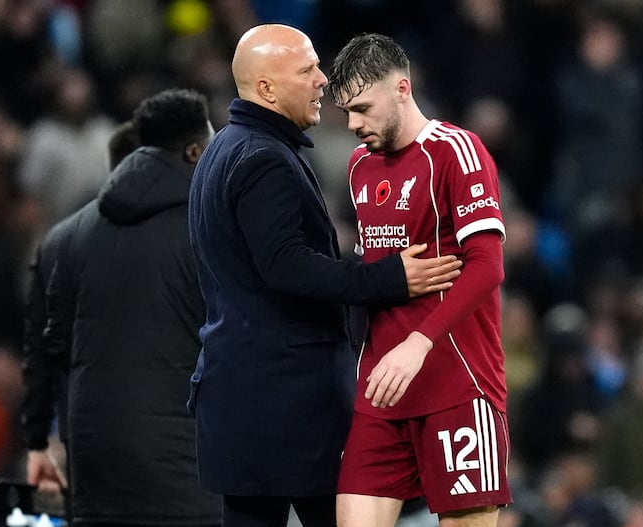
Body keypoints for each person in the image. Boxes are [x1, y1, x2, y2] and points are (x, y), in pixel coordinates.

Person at [187, 24, 462, 527]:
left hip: (239, 395)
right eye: (307, 70)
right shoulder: (263, 159)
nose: (323, 81)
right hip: (286, 403)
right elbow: (286, 268)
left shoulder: (224, 149)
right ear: (267, 89)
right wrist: (387, 279)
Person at [327, 33, 512, 527]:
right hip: (381, 389)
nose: (352, 124)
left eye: (363, 108)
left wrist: (418, 342)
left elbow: (487, 266)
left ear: (402, 89)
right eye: (346, 111)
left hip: (457, 382)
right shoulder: (359, 166)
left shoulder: (457, 151)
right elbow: (374, 274)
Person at [42, 88, 222, 527]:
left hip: (95, 479)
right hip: (188, 482)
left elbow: (55, 356)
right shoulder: (214, 231)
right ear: (195, 152)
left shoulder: (68, 236)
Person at [21, 120, 140, 500]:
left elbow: (43, 350)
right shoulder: (183, 236)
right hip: (162, 449)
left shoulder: (63, 241)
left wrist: (40, 439)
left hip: (87, 437)